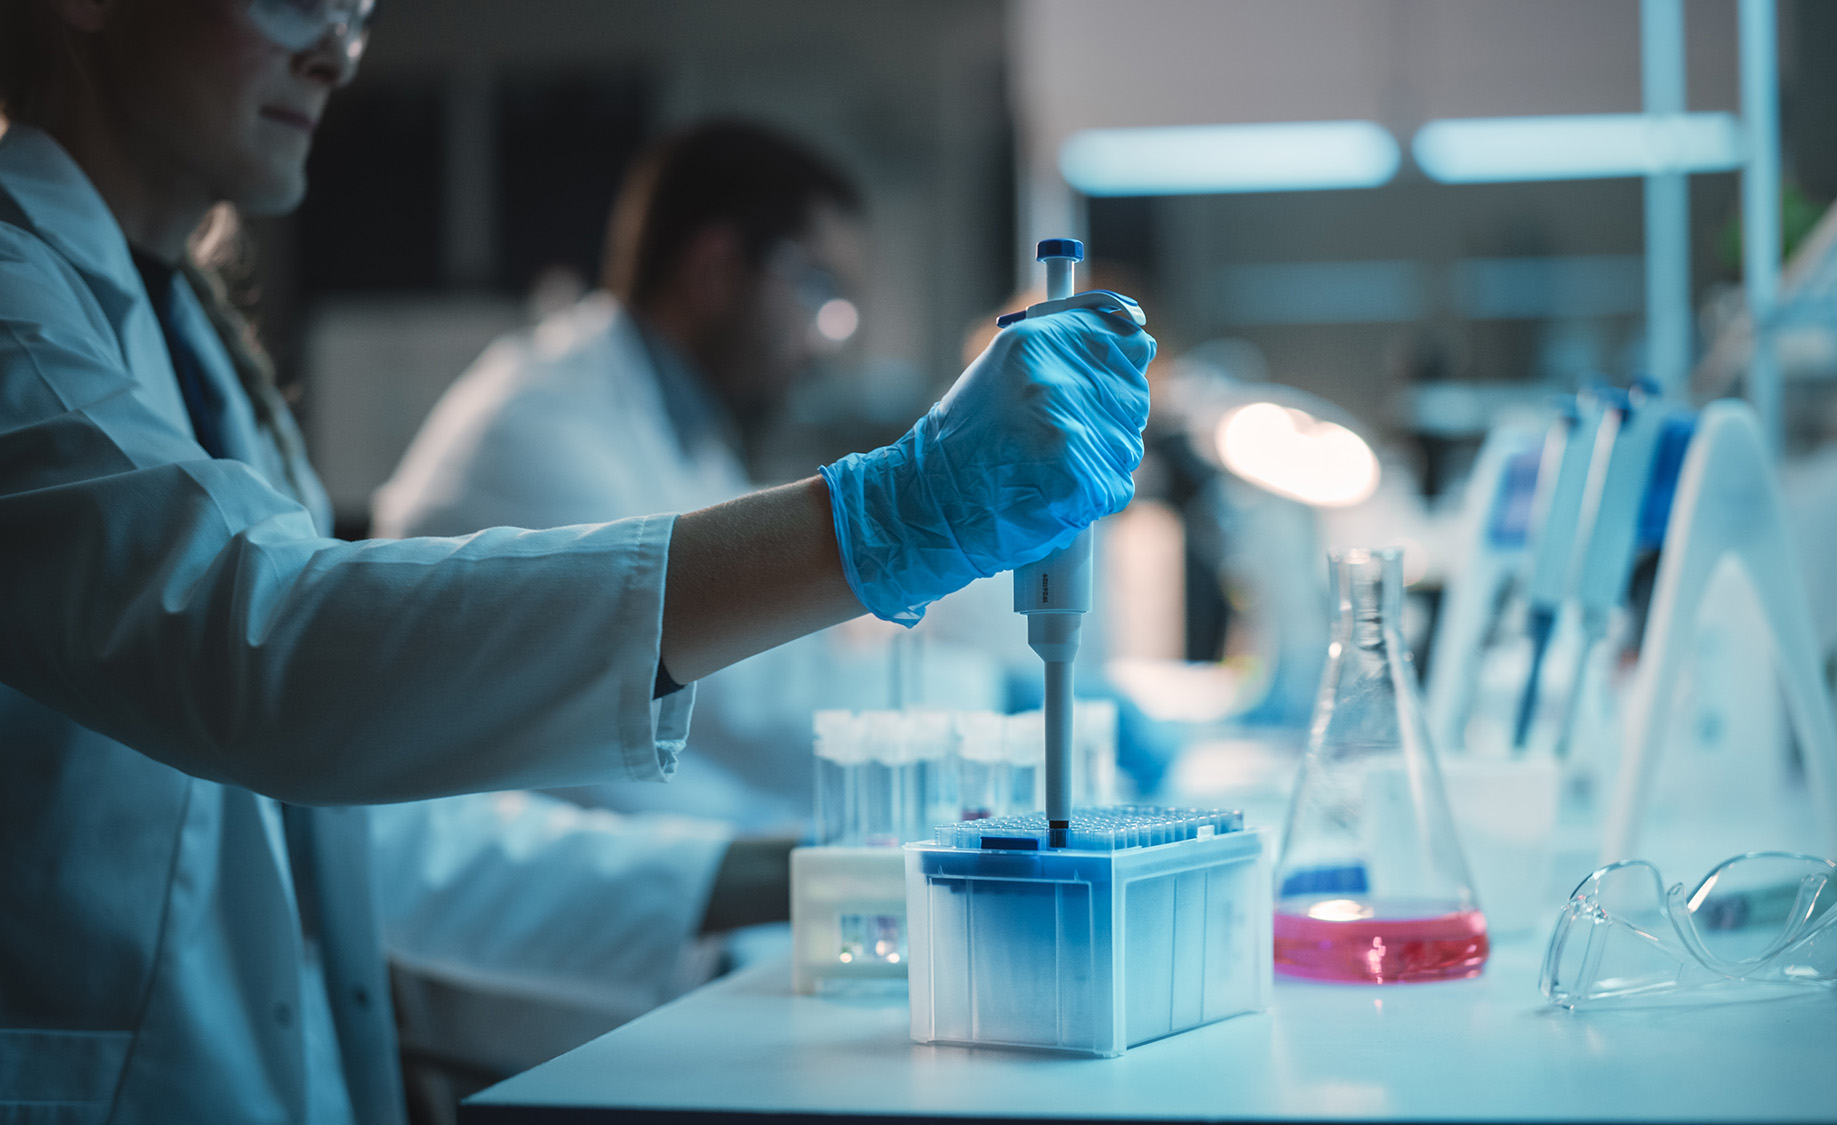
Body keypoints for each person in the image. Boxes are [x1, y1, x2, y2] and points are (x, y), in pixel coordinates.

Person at [0, 1, 1155, 1121]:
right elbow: (273, 652)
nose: (336, 58)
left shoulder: (202, 353)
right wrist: (889, 517)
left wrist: (804, 865)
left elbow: (377, 827)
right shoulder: (22, 317)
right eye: (298, 2)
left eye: (355, 12)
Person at [373, 121, 886, 832]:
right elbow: (743, 695)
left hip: (633, 878)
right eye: (817, 288)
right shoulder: (542, 424)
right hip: (510, 912)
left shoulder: (687, 431)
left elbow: (784, 661)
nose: (824, 340)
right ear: (713, 269)